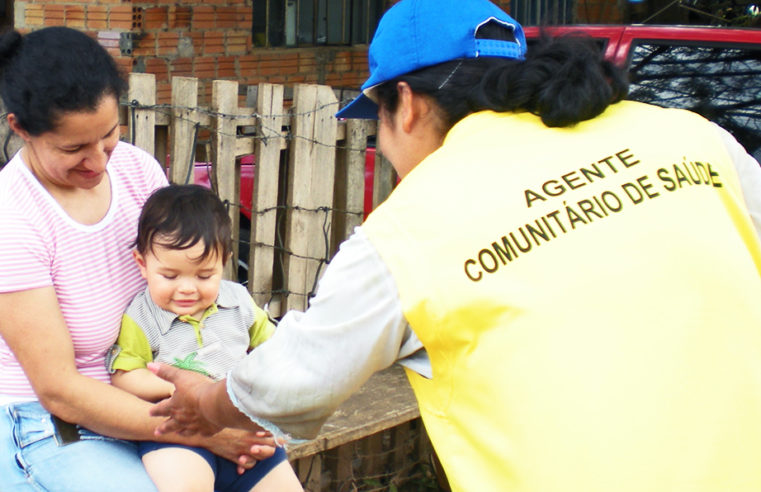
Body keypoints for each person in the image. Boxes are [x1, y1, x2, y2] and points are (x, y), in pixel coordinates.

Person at [148, 0, 761, 491]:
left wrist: (207, 399)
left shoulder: (412, 228)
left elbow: (294, 382)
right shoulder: (694, 138)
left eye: (376, 122)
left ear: (406, 105)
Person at [0, 27, 281, 491]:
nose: (98, 162)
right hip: (50, 422)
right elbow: (59, 390)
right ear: (20, 129)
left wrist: (218, 404)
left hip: (159, 394)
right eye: (73, 149)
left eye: (108, 136)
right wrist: (206, 430)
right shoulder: (13, 219)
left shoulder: (136, 170)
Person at [109, 184, 301, 492]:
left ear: (223, 262)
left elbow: (277, 348)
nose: (187, 288)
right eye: (170, 276)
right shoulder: (141, 316)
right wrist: (190, 390)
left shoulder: (237, 300)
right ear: (142, 264)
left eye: (203, 275)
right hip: (179, 436)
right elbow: (124, 376)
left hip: (241, 424)